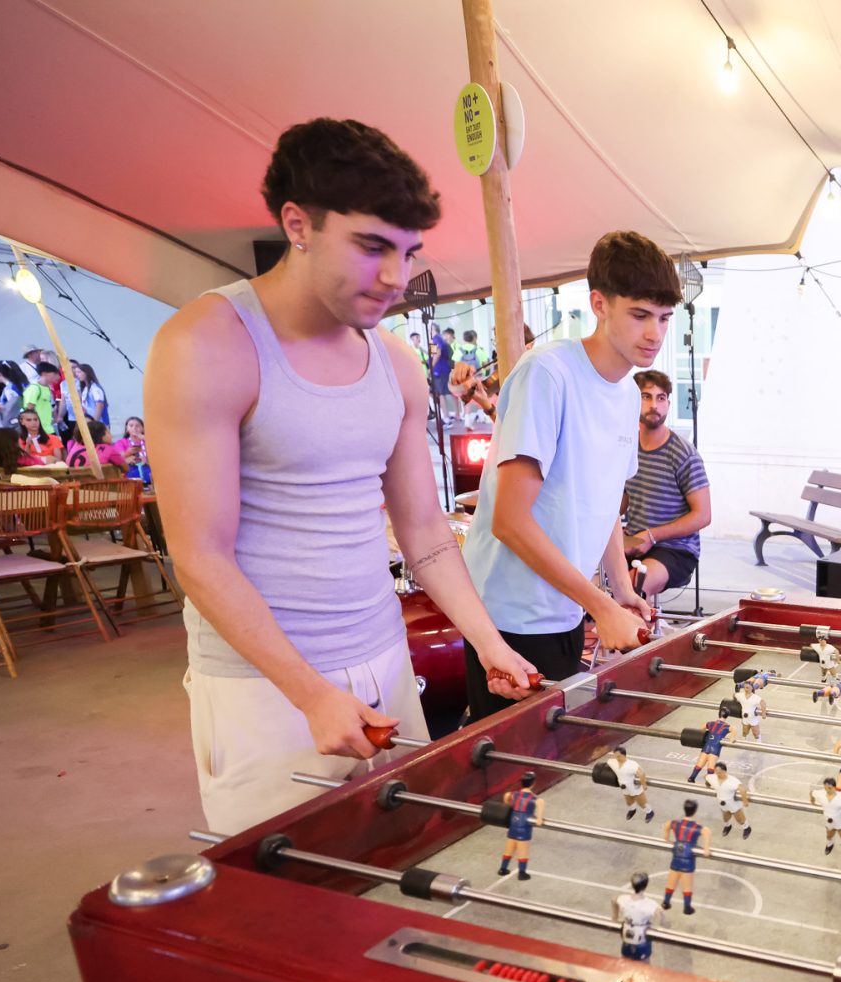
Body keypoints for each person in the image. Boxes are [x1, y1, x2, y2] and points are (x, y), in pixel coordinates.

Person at [144, 117, 537, 832]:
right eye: (371, 246)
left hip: (384, 656)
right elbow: (199, 556)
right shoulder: (207, 343)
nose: (395, 276)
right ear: (298, 224)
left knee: (407, 852)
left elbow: (425, 533)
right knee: (290, 880)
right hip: (266, 683)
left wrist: (487, 641)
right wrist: (310, 693)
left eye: (407, 252)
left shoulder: (397, 363)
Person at [460, 231, 676, 720]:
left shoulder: (628, 394)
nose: (655, 333)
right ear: (599, 304)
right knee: (516, 759)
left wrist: (621, 591)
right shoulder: (548, 373)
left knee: (558, 752)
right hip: (510, 615)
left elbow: (605, 504)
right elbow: (509, 521)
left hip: (566, 607)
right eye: (640, 315)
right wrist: (601, 606)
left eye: (664, 318)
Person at [622, 370, 711, 603]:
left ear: (668, 404)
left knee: (633, 587)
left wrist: (652, 536)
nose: (654, 405)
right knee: (586, 580)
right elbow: (622, 500)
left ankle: (641, 622)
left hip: (675, 549)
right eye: (646, 397)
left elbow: (703, 515)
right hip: (635, 540)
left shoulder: (683, 454)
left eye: (661, 398)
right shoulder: (627, 448)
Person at [661, 799, 705, 914]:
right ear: (695, 811)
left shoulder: (676, 824)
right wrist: (706, 848)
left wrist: (667, 839)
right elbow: (706, 832)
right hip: (688, 858)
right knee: (687, 884)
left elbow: (667, 824)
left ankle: (666, 901)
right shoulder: (696, 827)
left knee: (671, 881)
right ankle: (687, 906)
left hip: (677, 854)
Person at [497, 771, 538, 880]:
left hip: (514, 824)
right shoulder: (534, 798)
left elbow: (506, 796)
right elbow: (538, 820)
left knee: (509, 849)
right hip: (524, 826)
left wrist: (510, 806)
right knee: (523, 851)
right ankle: (522, 873)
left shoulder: (514, 794)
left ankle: (503, 869)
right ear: (533, 783)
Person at [613, 873, 662, 962]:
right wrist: (656, 929)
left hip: (626, 937)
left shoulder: (624, 899)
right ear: (645, 886)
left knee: (625, 962)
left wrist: (615, 917)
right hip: (641, 939)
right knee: (644, 966)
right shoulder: (649, 904)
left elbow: (614, 900)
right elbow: (659, 913)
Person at [809, 776, 841, 855]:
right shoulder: (821, 794)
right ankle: (829, 845)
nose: (827, 790)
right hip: (828, 819)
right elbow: (812, 792)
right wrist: (812, 800)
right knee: (829, 835)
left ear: (834, 787)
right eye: (825, 788)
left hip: (839, 820)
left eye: (829, 788)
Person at [606, 745, 653, 821]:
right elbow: (607, 764)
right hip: (623, 786)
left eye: (618, 756)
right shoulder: (612, 762)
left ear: (624, 755)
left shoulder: (632, 764)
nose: (617, 758)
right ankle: (632, 810)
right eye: (615, 756)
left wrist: (644, 784)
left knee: (641, 802)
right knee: (629, 801)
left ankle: (649, 812)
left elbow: (641, 773)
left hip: (634, 786)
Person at [711, 761, 751, 838]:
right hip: (722, 803)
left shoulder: (732, 780)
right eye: (716, 771)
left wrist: (745, 801)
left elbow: (742, 789)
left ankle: (747, 828)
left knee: (740, 819)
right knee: (725, 818)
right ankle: (728, 826)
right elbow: (707, 778)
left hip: (733, 803)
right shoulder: (713, 777)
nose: (717, 773)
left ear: (724, 771)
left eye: (719, 772)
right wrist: (707, 783)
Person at [21, 366, 57, 439]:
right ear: (44, 373)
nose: (56, 377)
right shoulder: (34, 388)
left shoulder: (47, 388)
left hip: (48, 428)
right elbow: (29, 409)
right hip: (38, 431)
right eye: (54, 374)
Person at [72, 363, 109, 428]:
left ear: (86, 373)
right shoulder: (85, 388)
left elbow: (99, 405)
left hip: (99, 423)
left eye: (79, 372)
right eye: (76, 372)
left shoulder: (95, 388)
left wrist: (94, 422)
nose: (77, 374)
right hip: (89, 421)